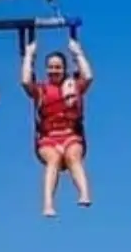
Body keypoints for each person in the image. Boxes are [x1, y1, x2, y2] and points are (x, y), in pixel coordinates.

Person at [21, 37, 93, 216]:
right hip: (48, 138)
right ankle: (48, 204)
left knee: (73, 157)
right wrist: (28, 56)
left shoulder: (74, 86)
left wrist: (77, 53)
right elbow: (25, 82)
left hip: (71, 134)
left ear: (64, 69)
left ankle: (84, 193)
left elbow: (89, 76)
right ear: (46, 70)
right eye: (51, 67)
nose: (54, 70)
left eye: (58, 67)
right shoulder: (41, 90)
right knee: (53, 160)